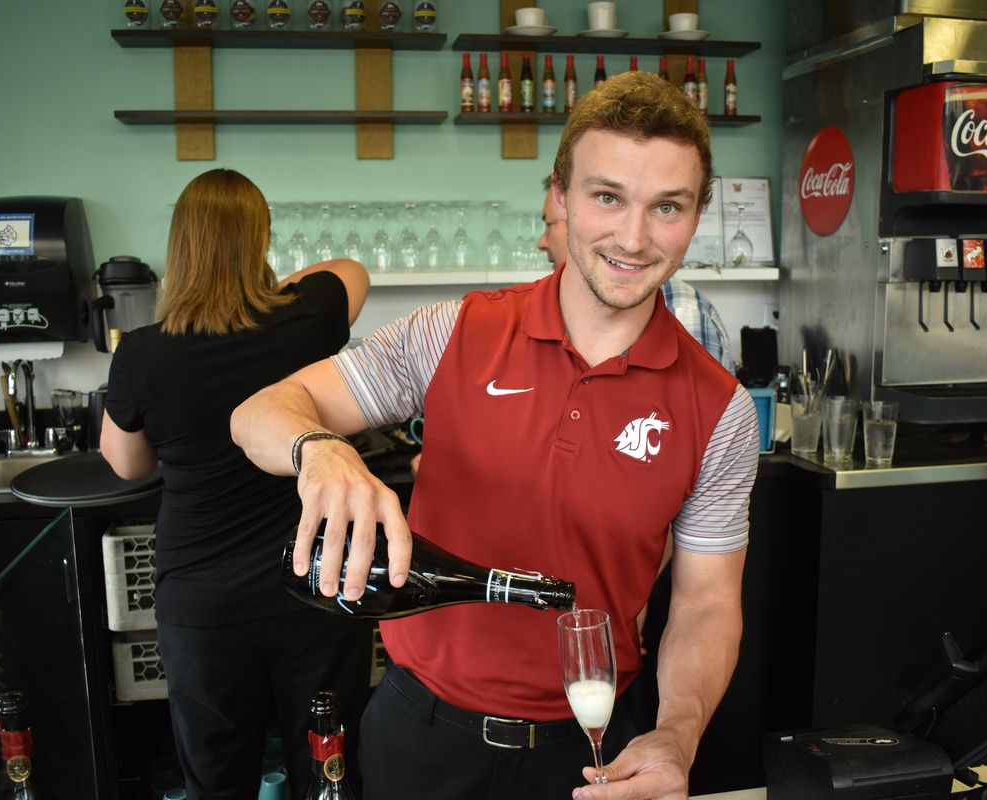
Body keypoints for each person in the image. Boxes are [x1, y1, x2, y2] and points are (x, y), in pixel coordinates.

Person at [231, 73, 759, 800]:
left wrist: (678, 731)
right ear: (561, 198)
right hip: (422, 738)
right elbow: (260, 410)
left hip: (598, 748)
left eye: (666, 207)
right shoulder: (455, 332)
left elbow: (706, 603)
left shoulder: (722, 409)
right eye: (607, 197)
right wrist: (319, 450)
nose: (634, 239)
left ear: (696, 215)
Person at [99, 168, 374, 800]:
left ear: (179, 247)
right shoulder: (308, 319)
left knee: (217, 777)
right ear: (261, 239)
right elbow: (350, 270)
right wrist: (264, 295)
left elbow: (126, 464)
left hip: (203, 601)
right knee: (329, 768)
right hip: (316, 585)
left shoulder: (143, 350)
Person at [539, 173, 734, 371]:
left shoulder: (684, 310)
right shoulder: (520, 314)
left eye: (666, 208)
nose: (633, 243)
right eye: (608, 198)